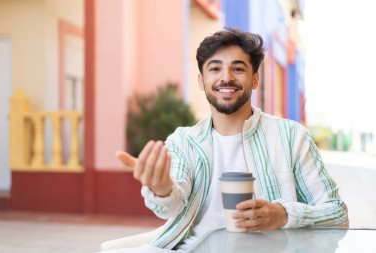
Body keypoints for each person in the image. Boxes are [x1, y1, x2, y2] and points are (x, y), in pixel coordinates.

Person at [100, 28, 348, 252]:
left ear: (255, 79)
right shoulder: (184, 141)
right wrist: (162, 187)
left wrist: (283, 214)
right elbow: (172, 207)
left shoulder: (292, 137)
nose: (226, 77)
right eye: (215, 68)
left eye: (238, 68)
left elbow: (337, 213)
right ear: (201, 81)